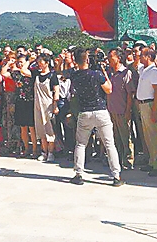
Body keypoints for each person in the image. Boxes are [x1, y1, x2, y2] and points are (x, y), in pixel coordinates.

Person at [69, 48, 123, 186]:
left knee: (81, 144)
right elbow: (109, 89)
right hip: (100, 111)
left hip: (84, 112)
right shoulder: (97, 74)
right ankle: (116, 176)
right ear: (87, 59)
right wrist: (103, 71)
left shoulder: (74, 76)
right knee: (109, 144)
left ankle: (79, 174)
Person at [134, 47, 157, 177]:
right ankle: (152, 161)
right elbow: (135, 65)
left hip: (150, 104)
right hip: (142, 104)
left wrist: (154, 110)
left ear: (148, 57)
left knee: (154, 135)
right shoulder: (144, 69)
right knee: (147, 135)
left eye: (142, 55)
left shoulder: (154, 71)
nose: (140, 57)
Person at [106, 48, 136, 170]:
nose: (109, 59)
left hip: (122, 110)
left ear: (118, 58)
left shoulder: (126, 73)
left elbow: (130, 94)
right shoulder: (110, 73)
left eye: (111, 57)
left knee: (126, 137)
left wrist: (128, 110)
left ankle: (129, 160)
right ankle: (117, 160)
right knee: (115, 137)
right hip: (112, 110)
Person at [32, 53, 59, 162]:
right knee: (41, 130)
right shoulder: (36, 75)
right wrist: (31, 59)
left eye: (41, 62)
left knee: (50, 129)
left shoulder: (52, 75)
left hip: (48, 105)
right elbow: (24, 70)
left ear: (47, 63)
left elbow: (56, 91)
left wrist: (55, 106)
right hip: (37, 105)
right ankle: (44, 151)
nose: (39, 64)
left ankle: (51, 152)